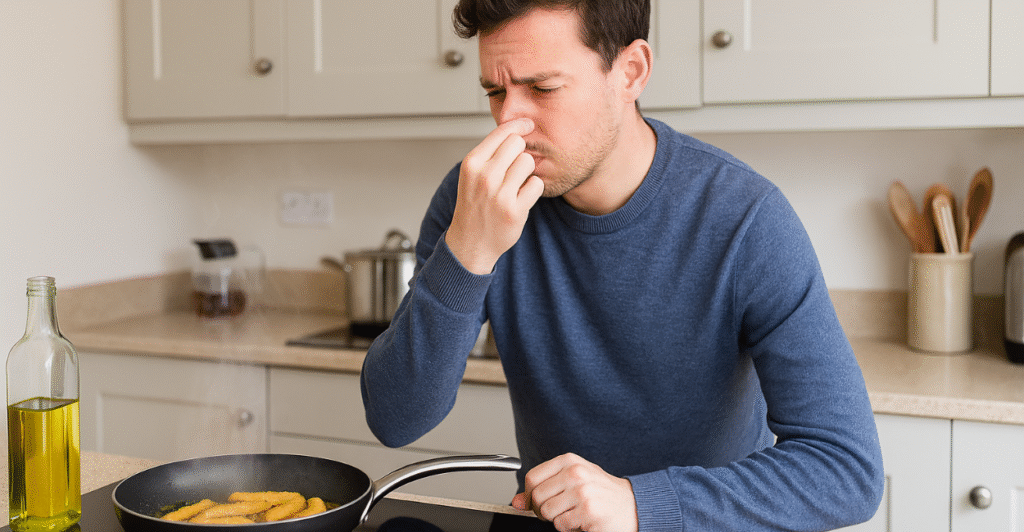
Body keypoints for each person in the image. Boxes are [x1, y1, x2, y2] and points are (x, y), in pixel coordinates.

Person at [360, 1, 884, 530]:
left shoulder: (747, 220)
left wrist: (638, 503)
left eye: (542, 89)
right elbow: (396, 419)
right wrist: (467, 254)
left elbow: (846, 470)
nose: (510, 122)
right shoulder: (476, 199)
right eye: (496, 92)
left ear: (631, 71)